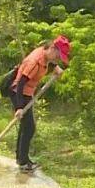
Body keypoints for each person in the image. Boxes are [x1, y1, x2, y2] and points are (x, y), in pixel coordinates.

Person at [9, 35, 70, 172]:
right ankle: (23, 162)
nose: (58, 59)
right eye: (58, 56)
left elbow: (49, 62)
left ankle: (21, 158)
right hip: (19, 93)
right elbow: (20, 84)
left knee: (26, 126)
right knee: (29, 127)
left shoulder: (45, 54)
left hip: (27, 93)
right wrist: (19, 107)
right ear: (53, 49)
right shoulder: (34, 62)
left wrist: (56, 68)